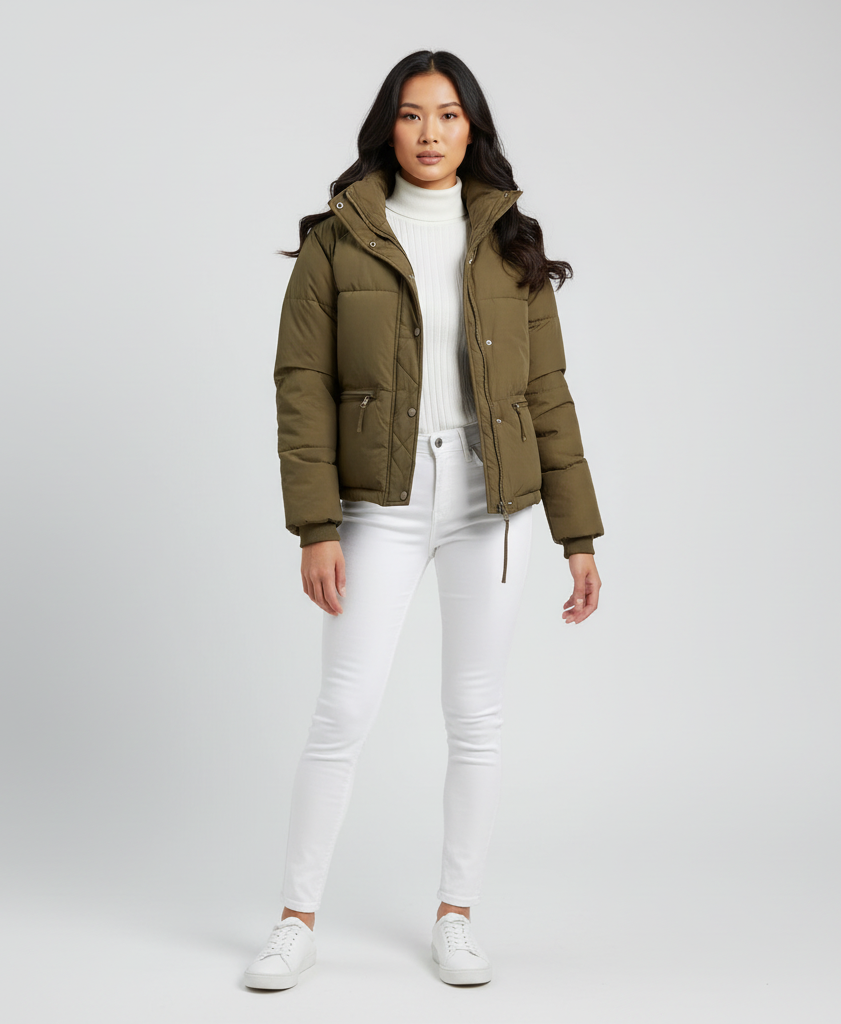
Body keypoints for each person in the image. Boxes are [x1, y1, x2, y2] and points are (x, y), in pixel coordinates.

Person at [244, 49, 604, 991]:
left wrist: (578, 536)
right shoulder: (337, 241)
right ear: (388, 126)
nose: (430, 133)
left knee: (475, 713)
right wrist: (316, 526)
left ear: (471, 128)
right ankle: (294, 921)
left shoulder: (511, 243)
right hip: (380, 502)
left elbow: (548, 394)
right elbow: (300, 387)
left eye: (448, 115)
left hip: (493, 503)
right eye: (412, 115)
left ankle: (456, 915)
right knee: (344, 709)